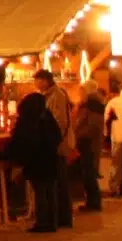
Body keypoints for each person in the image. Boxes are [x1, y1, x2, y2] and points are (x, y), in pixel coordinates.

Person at [6, 83, 65, 234]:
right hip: (51, 159)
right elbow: (57, 136)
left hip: (37, 162)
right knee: (50, 191)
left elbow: (21, 141)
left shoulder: (28, 120)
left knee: (39, 191)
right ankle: (52, 222)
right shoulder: (48, 117)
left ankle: (42, 222)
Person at [38, 69, 76, 228]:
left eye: (38, 80)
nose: (36, 84)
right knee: (58, 180)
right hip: (55, 142)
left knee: (59, 180)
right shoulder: (49, 95)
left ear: (46, 81)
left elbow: (60, 121)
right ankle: (61, 217)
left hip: (58, 144)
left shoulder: (57, 96)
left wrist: (53, 140)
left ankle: (63, 217)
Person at [73, 72, 107, 212]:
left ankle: (94, 202)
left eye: (81, 90)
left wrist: (79, 135)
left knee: (89, 173)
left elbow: (93, 125)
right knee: (88, 172)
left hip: (88, 143)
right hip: (86, 142)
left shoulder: (92, 104)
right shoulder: (90, 103)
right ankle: (92, 201)